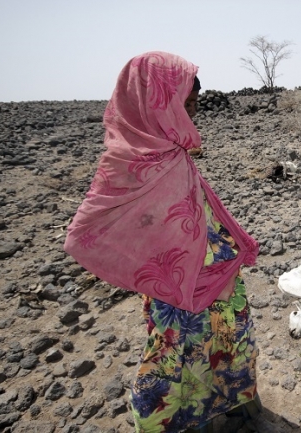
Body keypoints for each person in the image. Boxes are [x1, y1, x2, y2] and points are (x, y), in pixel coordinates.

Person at [64, 51, 261, 432]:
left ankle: (233, 405)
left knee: (232, 338)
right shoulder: (128, 161)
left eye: (193, 107)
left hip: (214, 273)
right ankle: (164, 422)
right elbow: (91, 230)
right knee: (175, 353)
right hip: (173, 286)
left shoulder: (173, 151)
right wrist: (147, 267)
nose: (190, 117)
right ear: (152, 103)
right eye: (184, 106)